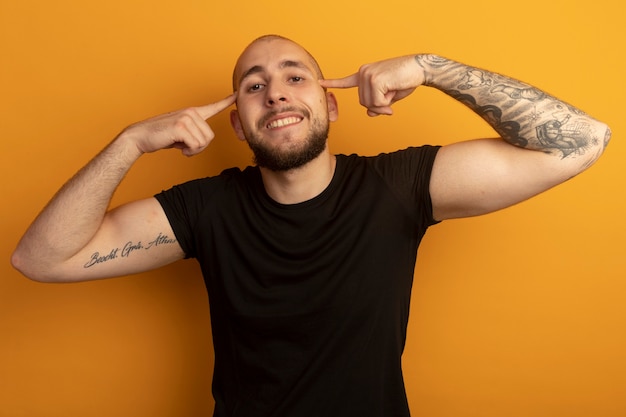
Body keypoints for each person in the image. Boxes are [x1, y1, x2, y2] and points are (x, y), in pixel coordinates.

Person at [12, 34, 610, 416]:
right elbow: (41, 259)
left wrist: (432, 67)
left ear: (329, 104)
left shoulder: (398, 186)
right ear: (240, 126)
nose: (275, 93)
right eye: (254, 86)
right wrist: (129, 143)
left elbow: (583, 142)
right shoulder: (206, 209)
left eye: (296, 77)